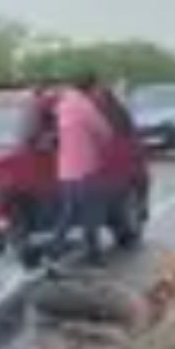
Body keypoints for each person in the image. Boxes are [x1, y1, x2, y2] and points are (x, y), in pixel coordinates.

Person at [49, 71, 114, 265]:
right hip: (85, 169)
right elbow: (105, 132)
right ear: (90, 87)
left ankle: (54, 249)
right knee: (90, 215)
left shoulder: (63, 105)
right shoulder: (86, 107)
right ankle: (94, 255)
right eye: (97, 88)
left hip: (65, 171)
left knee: (67, 214)